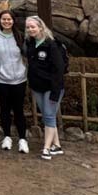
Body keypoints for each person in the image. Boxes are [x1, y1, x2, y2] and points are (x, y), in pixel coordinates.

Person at [24, 16, 65, 160]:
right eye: (28, 27)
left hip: (52, 86)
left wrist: (55, 92)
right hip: (37, 85)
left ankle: (46, 147)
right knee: (48, 116)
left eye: (33, 27)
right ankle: (57, 145)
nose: (30, 29)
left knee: (48, 114)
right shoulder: (30, 43)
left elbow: (58, 69)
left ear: (41, 27)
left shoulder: (51, 44)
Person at [0, 10, 29, 153]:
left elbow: (26, 55)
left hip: (19, 78)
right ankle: (7, 136)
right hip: (0, 79)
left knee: (18, 109)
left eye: (9, 19)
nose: (6, 22)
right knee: (4, 108)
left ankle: (22, 139)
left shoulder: (19, 36)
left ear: (13, 21)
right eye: (4, 19)